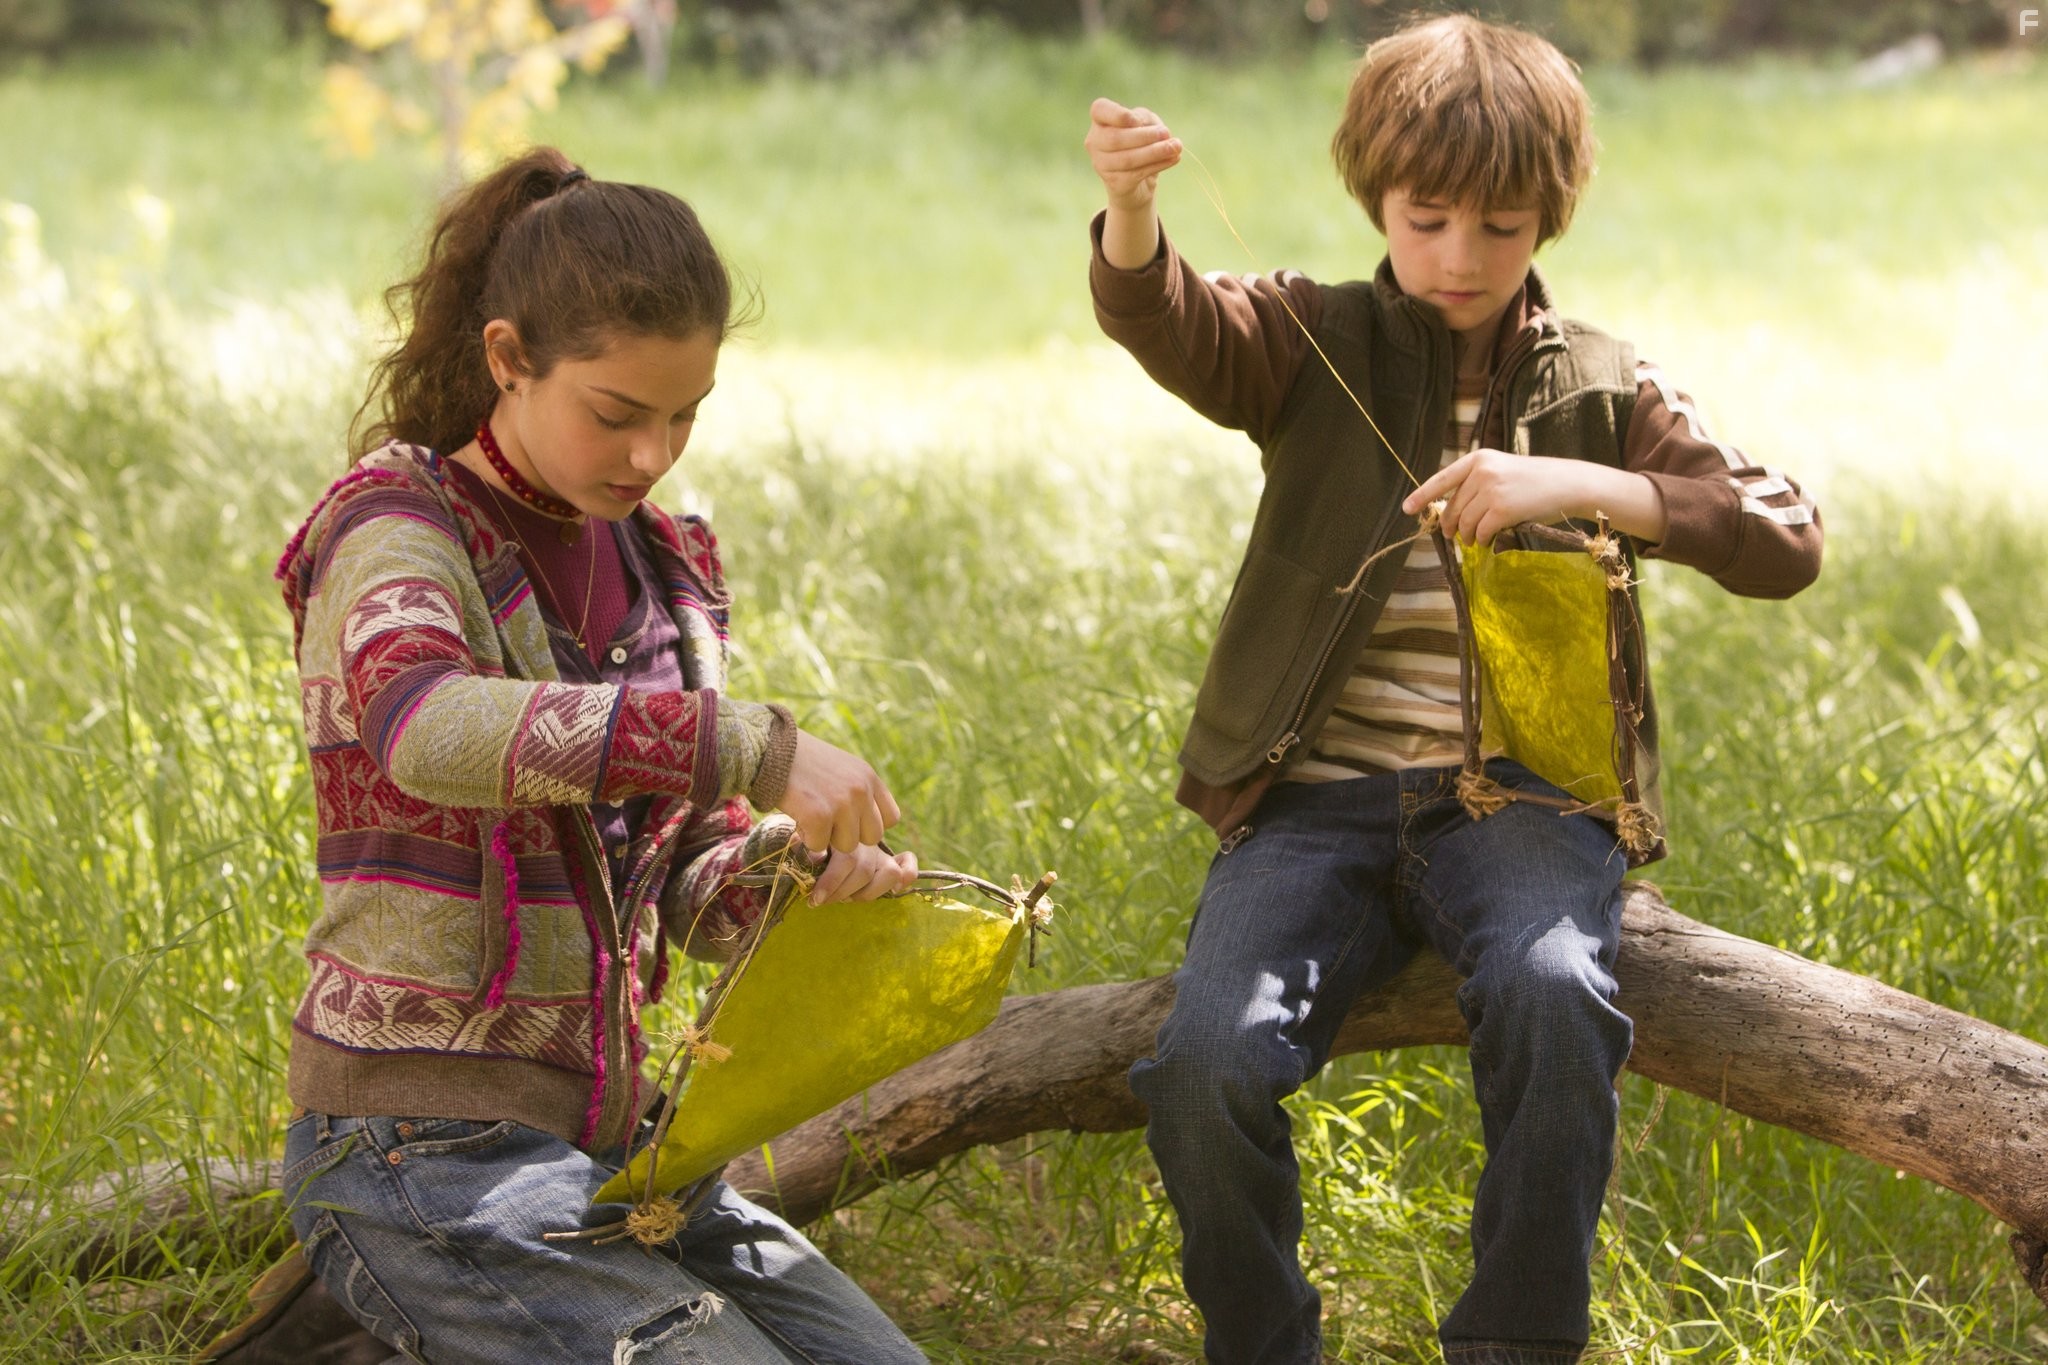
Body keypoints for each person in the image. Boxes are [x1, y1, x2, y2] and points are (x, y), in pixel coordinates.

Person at [1084, 16, 1821, 1364]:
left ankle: (1513, 1343)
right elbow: (1173, 319)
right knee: (1204, 1065)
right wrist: (1132, 210)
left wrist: (1582, 486)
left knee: (1554, 992)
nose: (1463, 258)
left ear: (1552, 215)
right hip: (1312, 806)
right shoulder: (1314, 335)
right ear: (1377, 199)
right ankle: (1262, 1340)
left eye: (1503, 225)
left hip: (1527, 805)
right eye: (1428, 221)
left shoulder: (1602, 381)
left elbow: (1784, 536)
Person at [271, 147, 927, 1363]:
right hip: (420, 1152)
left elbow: (678, 877)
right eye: (616, 414)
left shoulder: (663, 568)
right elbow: (427, 727)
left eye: (684, 415)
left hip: (625, 1155)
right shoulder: (392, 524)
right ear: (508, 358)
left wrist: (795, 887)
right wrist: (749, 746)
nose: (649, 455)